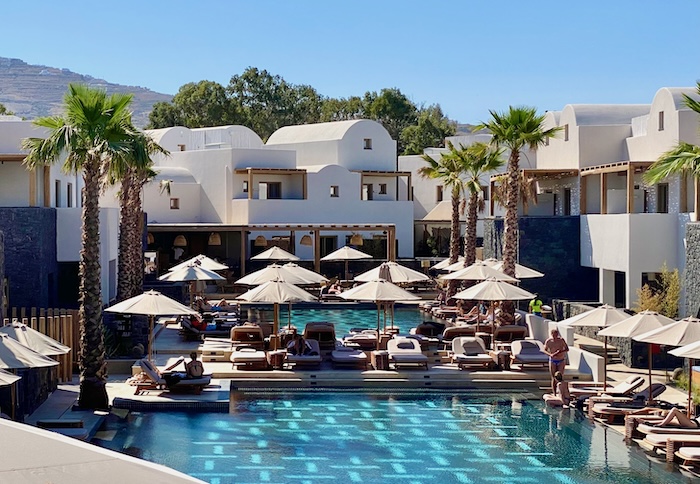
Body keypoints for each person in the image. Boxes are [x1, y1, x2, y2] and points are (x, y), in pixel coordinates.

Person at [544, 328, 569, 394]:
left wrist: (560, 351)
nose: (555, 336)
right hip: (552, 360)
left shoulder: (561, 340)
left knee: (560, 376)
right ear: (551, 334)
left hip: (561, 360)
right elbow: (544, 350)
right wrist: (550, 354)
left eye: (556, 334)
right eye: (554, 334)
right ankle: (554, 392)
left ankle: (561, 391)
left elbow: (567, 349)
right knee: (553, 377)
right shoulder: (548, 341)